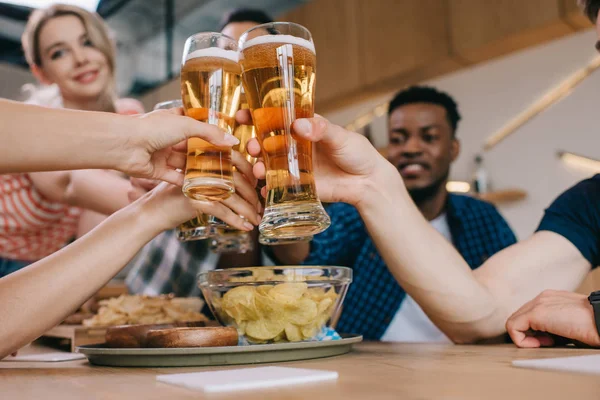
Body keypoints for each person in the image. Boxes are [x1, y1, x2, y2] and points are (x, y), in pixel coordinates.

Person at [268, 86, 516, 342]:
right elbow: (303, 259)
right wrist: (281, 198)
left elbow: (513, 299)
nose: (411, 148)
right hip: (377, 364)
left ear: (453, 149)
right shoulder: (356, 212)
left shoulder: (483, 217)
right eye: (398, 138)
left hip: (469, 365)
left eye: (429, 137)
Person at [125, 8, 275, 298]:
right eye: (231, 50)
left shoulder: (288, 138)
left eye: (251, 51)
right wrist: (151, 186)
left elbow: (297, 253)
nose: (239, 61)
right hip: (159, 298)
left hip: (242, 304)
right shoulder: (187, 132)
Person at [0, 4, 131, 275]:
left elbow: (94, 219)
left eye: (88, 42)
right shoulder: (37, 123)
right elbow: (73, 183)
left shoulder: (126, 119)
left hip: (44, 268)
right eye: (59, 52)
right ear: (42, 73)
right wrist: (193, 201)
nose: (81, 58)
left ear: (107, 47)